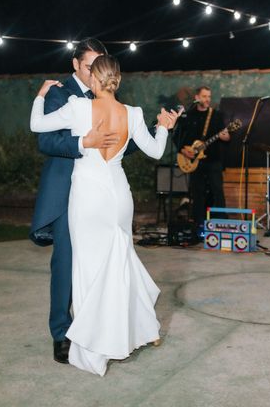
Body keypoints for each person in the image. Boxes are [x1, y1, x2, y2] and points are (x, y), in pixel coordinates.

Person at [30, 55, 179, 375]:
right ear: (118, 81)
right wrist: (164, 128)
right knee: (120, 259)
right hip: (119, 196)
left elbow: (36, 125)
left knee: (87, 269)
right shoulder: (133, 113)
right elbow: (155, 151)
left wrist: (40, 95)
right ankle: (134, 330)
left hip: (87, 197)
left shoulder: (78, 107)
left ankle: (94, 344)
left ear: (94, 81)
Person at [174, 86, 230, 236]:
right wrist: (183, 150)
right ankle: (198, 227)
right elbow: (177, 136)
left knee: (217, 192)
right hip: (194, 162)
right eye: (204, 96)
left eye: (209, 97)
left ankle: (221, 225)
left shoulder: (216, 115)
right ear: (197, 97)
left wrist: (226, 136)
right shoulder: (188, 115)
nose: (207, 99)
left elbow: (226, 137)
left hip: (213, 161)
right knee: (197, 194)